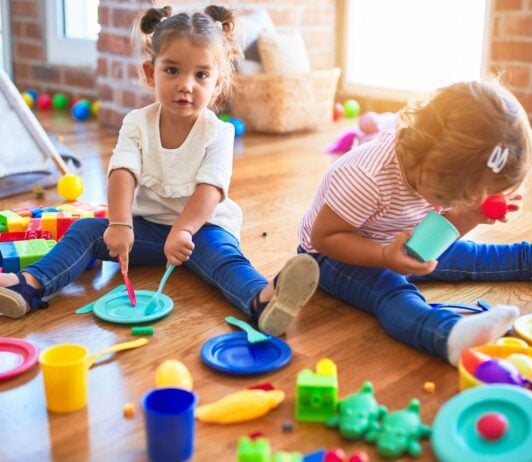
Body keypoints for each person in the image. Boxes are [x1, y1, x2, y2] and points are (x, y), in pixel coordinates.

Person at [0, 5, 319, 336]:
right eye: (172, 71)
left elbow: (209, 190)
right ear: (150, 72)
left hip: (201, 231)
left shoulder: (219, 133)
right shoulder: (137, 123)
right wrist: (121, 225)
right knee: (85, 232)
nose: (186, 85)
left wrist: (183, 230)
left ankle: (262, 301)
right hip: (146, 230)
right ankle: (29, 285)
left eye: (201, 75)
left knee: (225, 259)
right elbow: (122, 172)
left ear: (217, 82)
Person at [298, 79, 532, 365]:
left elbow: (441, 229)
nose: (458, 203)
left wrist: (472, 215)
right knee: (391, 290)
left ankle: (528, 259)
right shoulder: (366, 177)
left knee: (472, 256)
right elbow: (324, 237)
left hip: (399, 239)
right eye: (456, 196)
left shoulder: (436, 168)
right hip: (333, 255)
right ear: (431, 167)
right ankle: (448, 335)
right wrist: (384, 256)